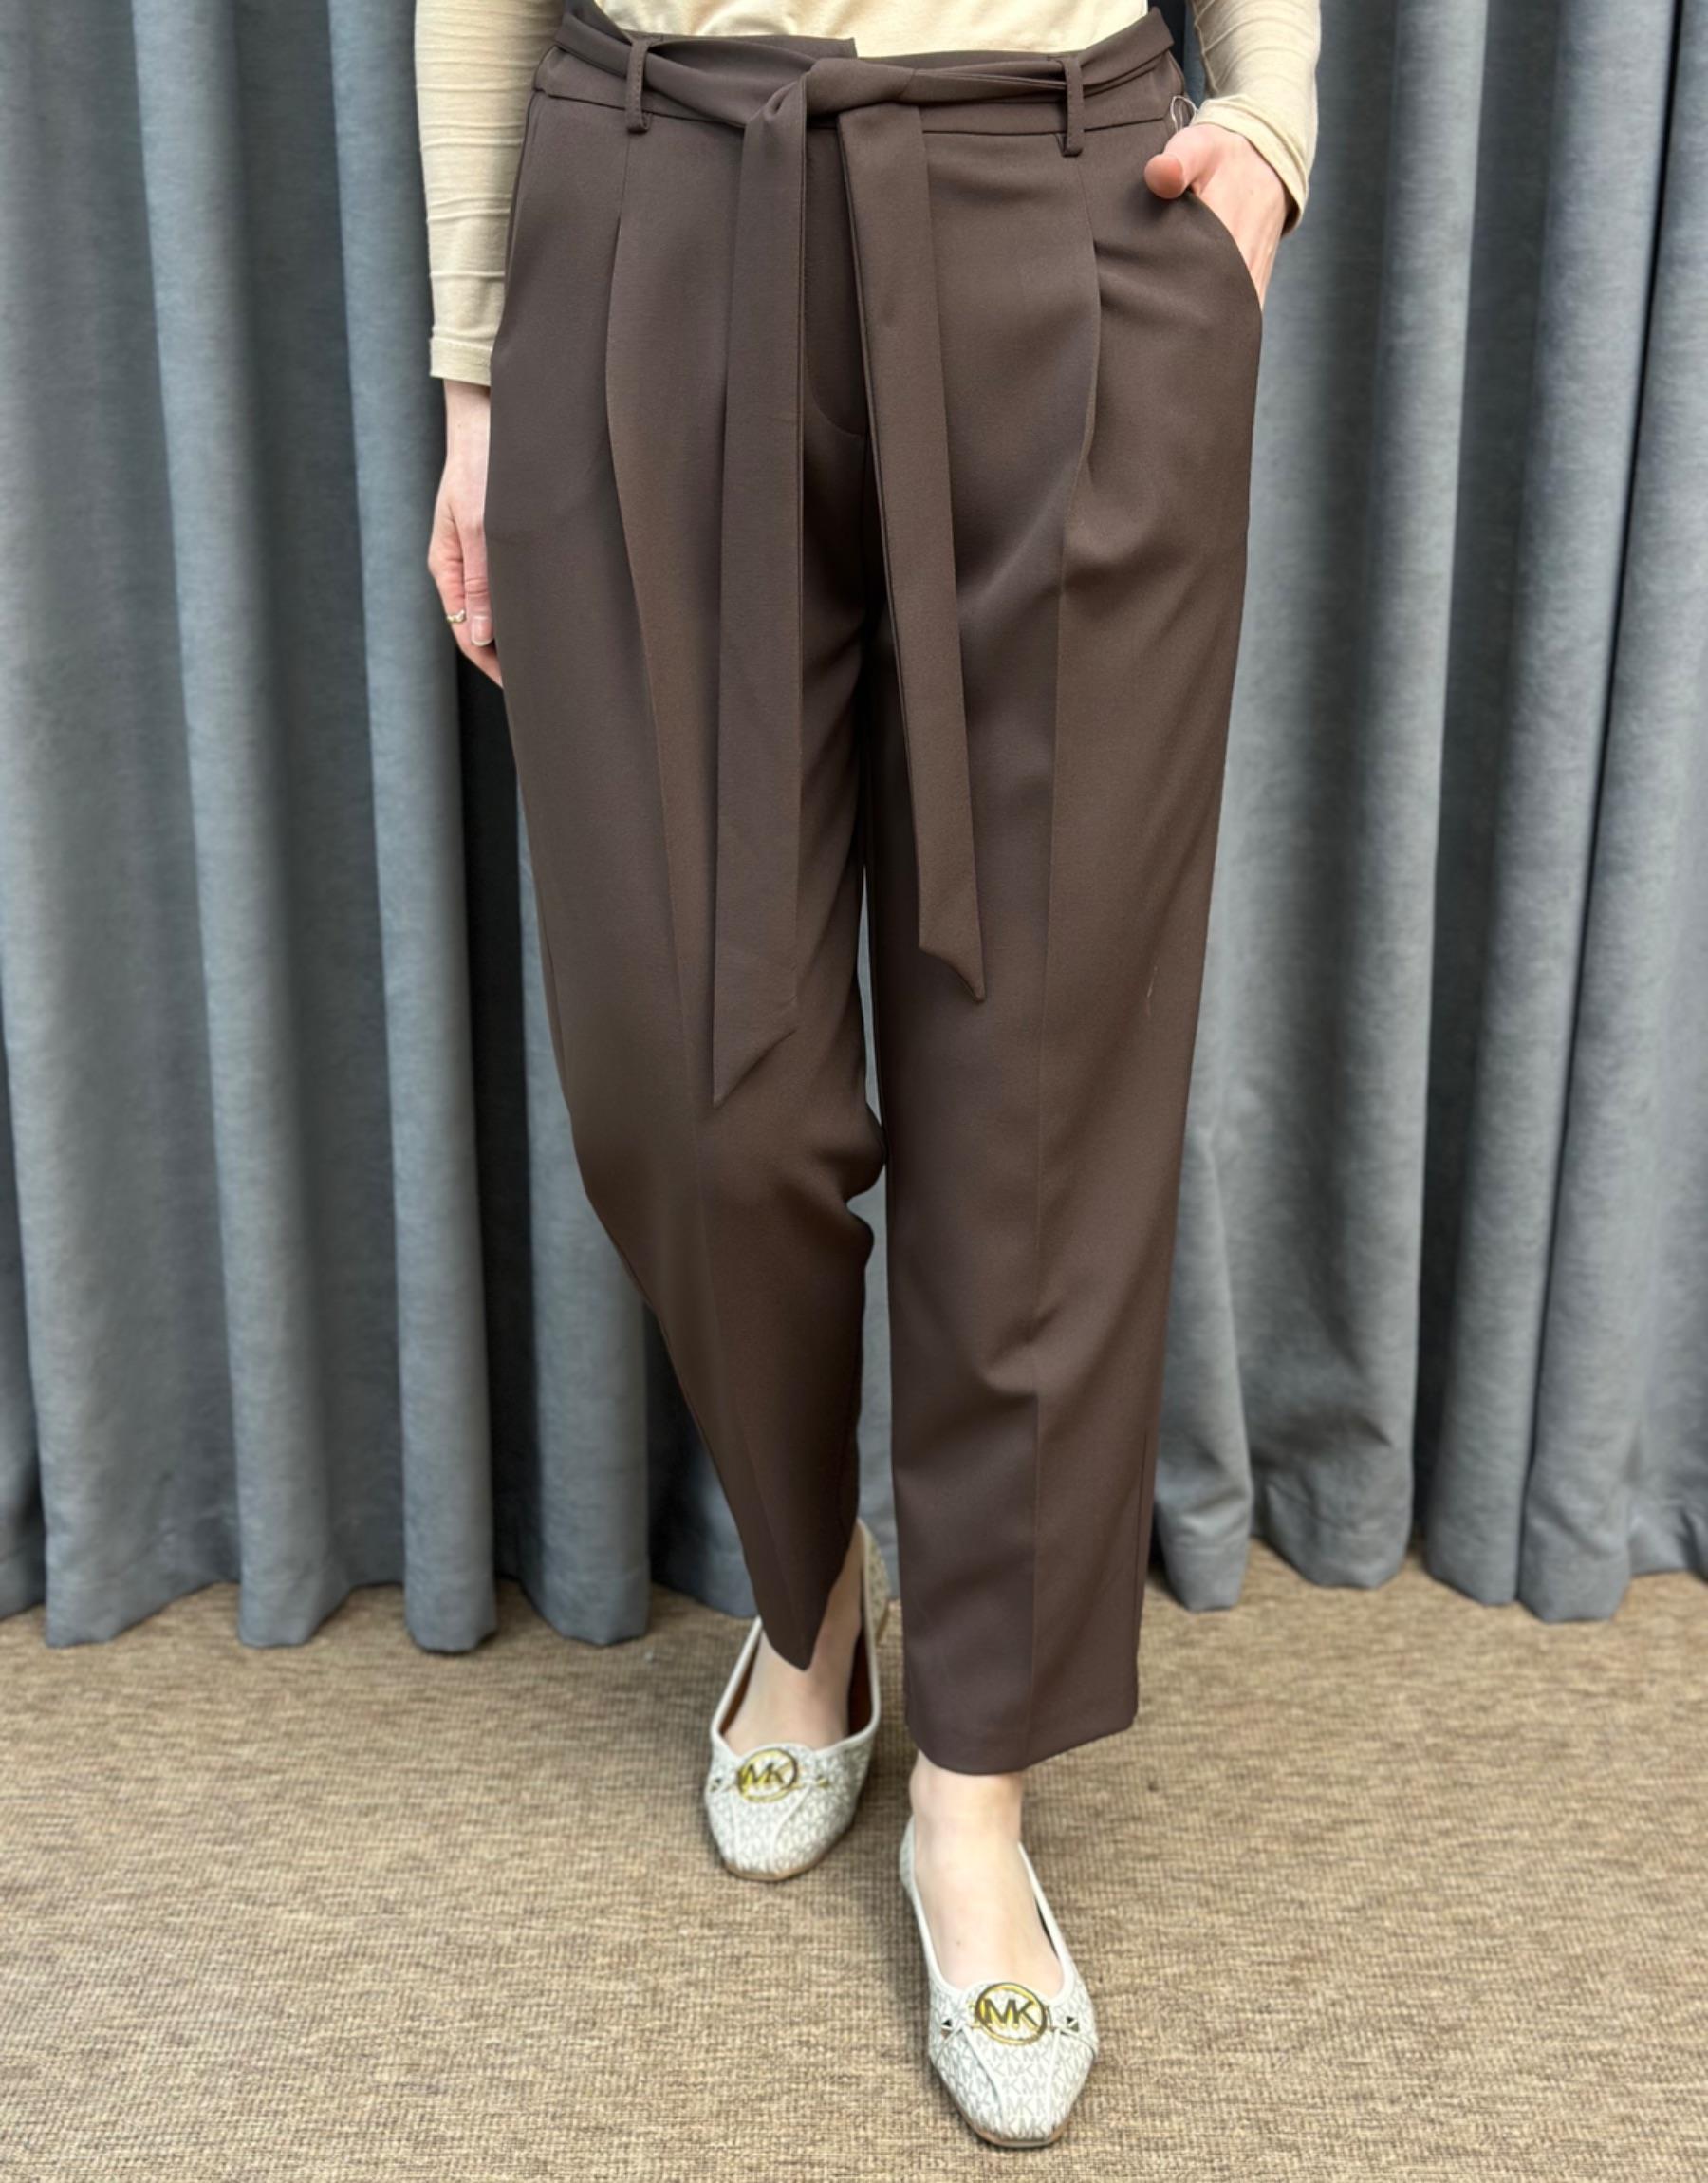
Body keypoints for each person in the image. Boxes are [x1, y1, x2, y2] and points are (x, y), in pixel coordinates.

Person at [418, 0, 1317, 2147]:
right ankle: (811, 1590)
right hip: (657, 200)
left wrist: (1273, 128)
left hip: (1066, 208)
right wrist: (474, 368)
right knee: (687, 1076)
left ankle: (975, 1798)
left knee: (1048, 1080)